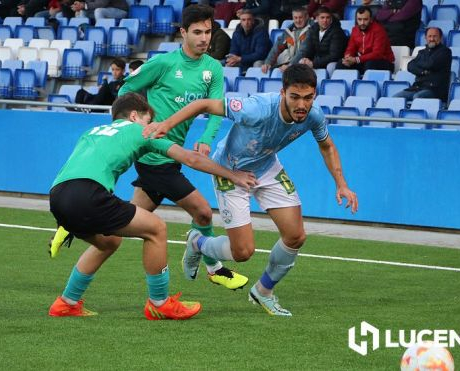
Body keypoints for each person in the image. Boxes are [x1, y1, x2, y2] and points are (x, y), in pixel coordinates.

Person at [143, 64, 358, 317]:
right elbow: (204, 104)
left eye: (308, 98)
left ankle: (263, 291)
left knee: (296, 236)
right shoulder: (255, 109)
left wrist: (341, 184)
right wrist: (166, 124)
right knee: (242, 252)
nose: (302, 104)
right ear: (282, 93)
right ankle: (198, 242)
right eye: (295, 97)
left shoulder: (314, 116)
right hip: (230, 169)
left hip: (266, 167)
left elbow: (327, 146)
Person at [47, 93, 257, 319]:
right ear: (134, 116)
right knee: (157, 229)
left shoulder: (92, 132)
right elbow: (191, 159)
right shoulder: (140, 131)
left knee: (108, 241)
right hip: (87, 194)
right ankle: (160, 303)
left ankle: (67, 303)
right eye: (148, 121)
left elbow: (78, 169)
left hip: (58, 196)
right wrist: (233, 176)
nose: (152, 126)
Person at [116, 4, 250, 290]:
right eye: (198, 32)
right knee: (202, 212)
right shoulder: (163, 64)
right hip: (154, 154)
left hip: (171, 156)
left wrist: (206, 139)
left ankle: (81, 222)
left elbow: (216, 109)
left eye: (208, 32)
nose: (204, 38)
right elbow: (125, 91)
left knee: (124, 222)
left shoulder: (213, 68)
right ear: (183, 33)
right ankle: (213, 267)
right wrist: (138, 124)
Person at [394, 27, 451, 102]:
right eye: (429, 36)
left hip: (435, 90)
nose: (432, 39)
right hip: (418, 87)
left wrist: (419, 63)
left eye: (435, 36)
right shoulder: (422, 52)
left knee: (417, 97)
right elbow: (410, 66)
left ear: (440, 38)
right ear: (425, 38)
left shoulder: (445, 51)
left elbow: (431, 64)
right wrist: (423, 72)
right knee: (395, 97)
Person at [293, 6, 347, 77]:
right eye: (322, 18)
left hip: (331, 63)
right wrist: (305, 59)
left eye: (327, 17)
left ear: (331, 19)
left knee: (330, 66)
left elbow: (334, 56)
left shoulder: (337, 32)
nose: (325, 20)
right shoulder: (313, 29)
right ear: (317, 18)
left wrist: (314, 63)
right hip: (317, 61)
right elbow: (307, 49)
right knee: (301, 62)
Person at [339, 5, 394, 74]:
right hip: (363, 62)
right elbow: (350, 48)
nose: (362, 23)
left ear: (371, 19)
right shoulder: (355, 30)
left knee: (370, 64)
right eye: (359, 19)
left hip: (384, 63)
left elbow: (377, 54)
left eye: (365, 19)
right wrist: (348, 57)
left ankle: (366, 84)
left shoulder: (379, 30)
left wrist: (357, 59)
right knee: (341, 64)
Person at [261, 7, 311, 74]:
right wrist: (268, 63)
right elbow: (277, 47)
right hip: (293, 63)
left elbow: (303, 51)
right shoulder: (288, 31)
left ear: (306, 17)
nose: (298, 20)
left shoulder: (312, 29)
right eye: (295, 18)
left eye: (300, 17)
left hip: (307, 64)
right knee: (271, 70)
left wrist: (290, 65)